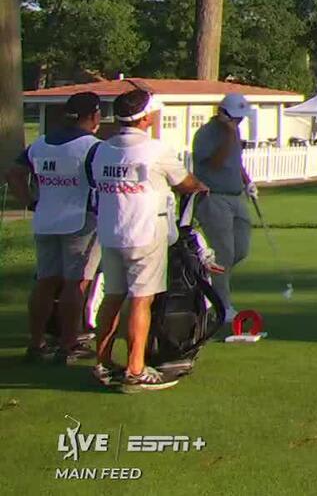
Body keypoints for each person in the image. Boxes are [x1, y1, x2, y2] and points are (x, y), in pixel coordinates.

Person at [88, 89, 215, 392]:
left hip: (111, 232)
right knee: (142, 301)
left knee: (113, 297)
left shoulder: (101, 150)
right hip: (145, 233)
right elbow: (185, 183)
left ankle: (103, 362)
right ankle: (135, 368)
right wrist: (201, 187)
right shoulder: (156, 150)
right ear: (144, 118)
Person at [7, 91, 104, 363]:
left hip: (45, 218)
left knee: (45, 282)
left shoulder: (40, 144)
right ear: (93, 115)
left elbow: (14, 173)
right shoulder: (92, 146)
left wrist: (29, 202)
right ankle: (69, 343)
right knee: (76, 283)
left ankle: (37, 342)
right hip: (80, 219)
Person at [192, 93, 256, 322]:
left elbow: (235, 162)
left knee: (241, 250)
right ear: (222, 114)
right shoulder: (206, 134)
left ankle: (206, 279)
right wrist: (229, 135)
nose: (239, 122)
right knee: (224, 253)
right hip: (213, 197)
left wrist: (248, 181)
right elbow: (215, 163)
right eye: (235, 119)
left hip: (236, 195)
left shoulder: (234, 130)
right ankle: (222, 307)